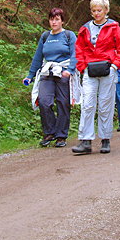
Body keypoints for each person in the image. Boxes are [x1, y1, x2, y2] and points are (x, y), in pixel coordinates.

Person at [72, 0, 120, 154]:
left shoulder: (113, 27)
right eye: (94, 10)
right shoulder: (85, 28)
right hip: (90, 70)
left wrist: (115, 66)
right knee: (87, 104)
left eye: (99, 10)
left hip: (107, 70)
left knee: (105, 105)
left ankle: (105, 139)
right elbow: (79, 49)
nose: (96, 13)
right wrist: (82, 67)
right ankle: (85, 140)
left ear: (106, 10)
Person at [24, 8, 78, 148]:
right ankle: (49, 132)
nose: (54, 22)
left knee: (63, 103)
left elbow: (75, 54)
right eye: (52, 19)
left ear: (62, 21)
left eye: (57, 19)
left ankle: (61, 136)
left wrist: (70, 70)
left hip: (63, 72)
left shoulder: (69, 35)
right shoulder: (45, 36)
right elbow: (38, 57)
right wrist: (30, 75)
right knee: (43, 101)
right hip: (47, 72)